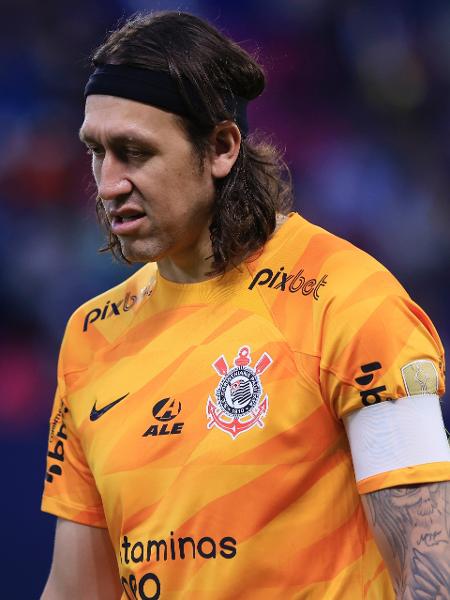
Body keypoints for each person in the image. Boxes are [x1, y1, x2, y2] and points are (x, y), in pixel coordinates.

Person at [41, 11, 450, 600]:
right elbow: (76, 589)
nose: (107, 184)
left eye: (135, 152)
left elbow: (429, 570)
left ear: (222, 148)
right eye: (96, 152)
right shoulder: (91, 335)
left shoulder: (349, 299)